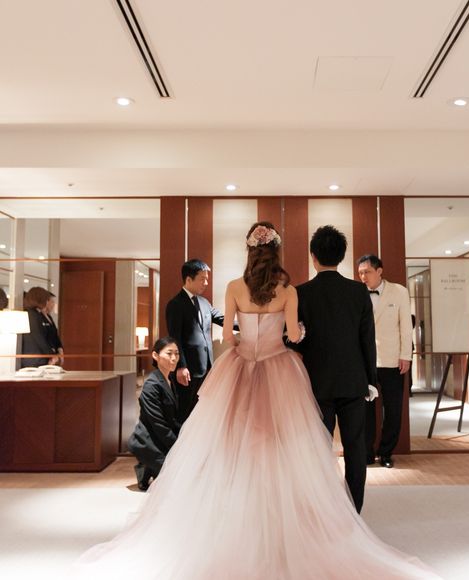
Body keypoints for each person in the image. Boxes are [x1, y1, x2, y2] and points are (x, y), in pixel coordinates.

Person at [70, 222, 438, 580]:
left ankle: (240, 520)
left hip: (240, 369)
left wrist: (247, 339)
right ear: (277, 251)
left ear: (250, 250)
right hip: (283, 371)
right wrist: (294, 334)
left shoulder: (234, 287)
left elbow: (229, 337)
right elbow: (296, 335)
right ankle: (314, 521)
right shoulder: (289, 291)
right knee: (292, 452)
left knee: (238, 450)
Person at [295, 226, 377, 514]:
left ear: (313, 256)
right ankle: (354, 511)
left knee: (319, 449)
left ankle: (323, 510)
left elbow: (294, 340)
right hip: (354, 382)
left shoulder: (301, 293)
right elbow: (367, 340)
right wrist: (370, 381)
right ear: (341, 256)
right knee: (355, 448)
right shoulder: (358, 291)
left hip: (318, 383)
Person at [358, 254, 413, 469]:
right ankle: (366, 453)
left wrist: (406, 355)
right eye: (360, 273)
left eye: (367, 272)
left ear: (379, 271)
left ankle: (386, 453)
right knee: (365, 410)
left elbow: (406, 327)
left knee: (393, 409)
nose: (363, 277)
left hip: (392, 359)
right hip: (365, 361)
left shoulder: (399, 292)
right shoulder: (356, 292)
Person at [165, 259, 226, 423]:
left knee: (202, 413)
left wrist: (248, 324)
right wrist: (181, 366)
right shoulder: (175, 304)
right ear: (188, 279)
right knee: (184, 413)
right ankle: (179, 440)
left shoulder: (205, 303)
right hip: (187, 371)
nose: (206, 283)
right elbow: (175, 338)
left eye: (207, 279)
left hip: (206, 368)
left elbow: (222, 320)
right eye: (202, 279)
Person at [127, 337, 181, 491]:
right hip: (148, 441)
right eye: (169, 353)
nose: (174, 358)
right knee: (177, 478)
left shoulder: (169, 380)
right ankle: (146, 466)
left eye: (177, 354)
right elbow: (158, 424)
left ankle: (148, 468)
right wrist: (177, 445)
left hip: (160, 438)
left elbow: (172, 418)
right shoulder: (152, 385)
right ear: (155, 356)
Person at [20, 286, 59, 368]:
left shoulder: (36, 314)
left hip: (36, 357)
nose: (47, 302)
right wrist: (51, 355)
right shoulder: (32, 315)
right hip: (34, 359)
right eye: (46, 299)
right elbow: (39, 337)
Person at [43, 291, 64, 366]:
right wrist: (51, 354)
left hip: (55, 353)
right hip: (47, 355)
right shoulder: (39, 317)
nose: (53, 304)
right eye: (52, 302)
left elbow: (55, 335)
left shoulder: (49, 317)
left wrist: (60, 349)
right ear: (46, 302)